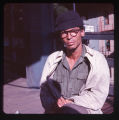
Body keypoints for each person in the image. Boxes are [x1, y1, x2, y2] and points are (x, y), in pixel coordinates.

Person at [40, 11, 110, 114]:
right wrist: (54, 103)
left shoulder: (97, 59)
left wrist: (71, 101)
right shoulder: (53, 59)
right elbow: (44, 91)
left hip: (85, 109)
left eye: (73, 31)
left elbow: (98, 96)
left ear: (82, 32)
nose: (69, 37)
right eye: (64, 33)